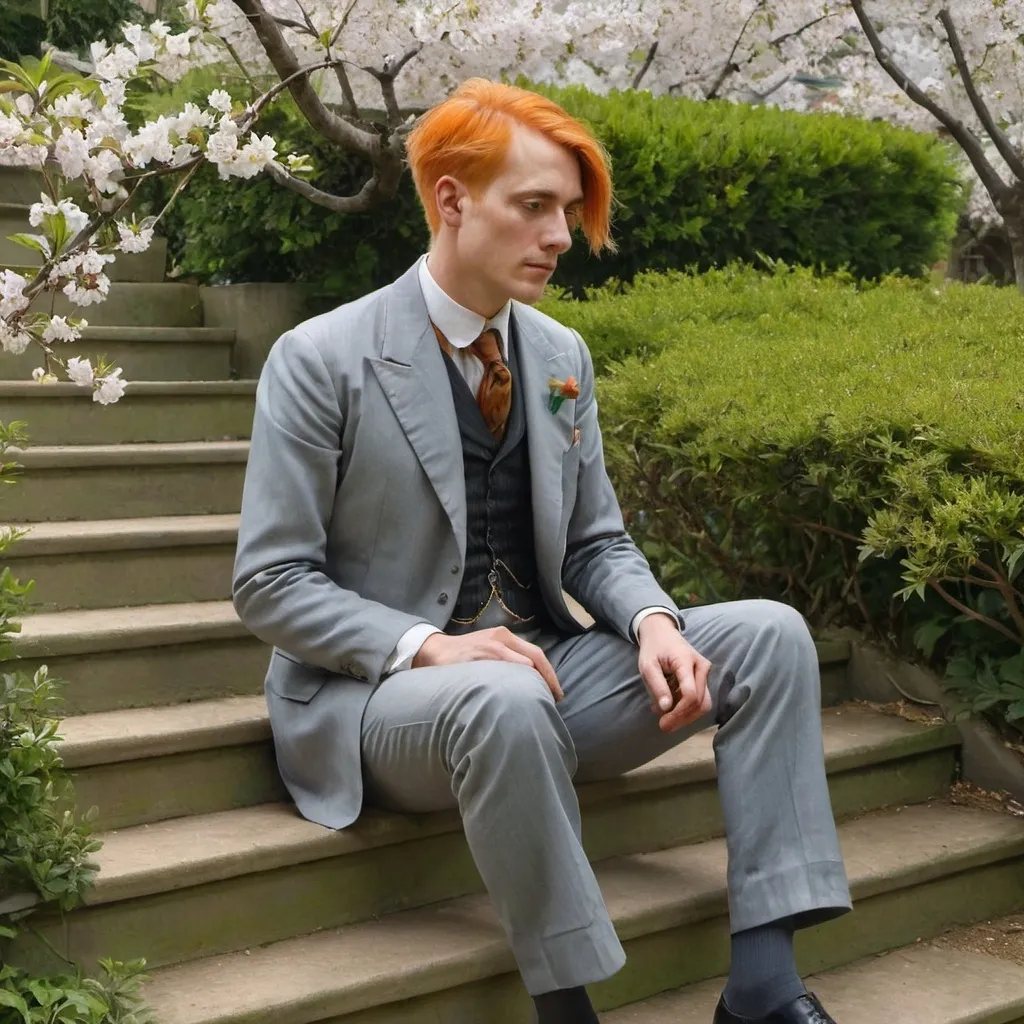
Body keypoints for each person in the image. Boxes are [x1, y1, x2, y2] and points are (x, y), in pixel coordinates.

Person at [232, 78, 852, 1024]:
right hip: (378, 708)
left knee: (767, 635)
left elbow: (596, 539)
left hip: (546, 677)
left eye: (566, 210)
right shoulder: (322, 357)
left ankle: (764, 984)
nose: (561, 236)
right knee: (501, 691)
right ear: (450, 201)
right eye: (535, 207)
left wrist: (651, 623)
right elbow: (269, 583)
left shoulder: (561, 355)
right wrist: (429, 647)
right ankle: (568, 1009)